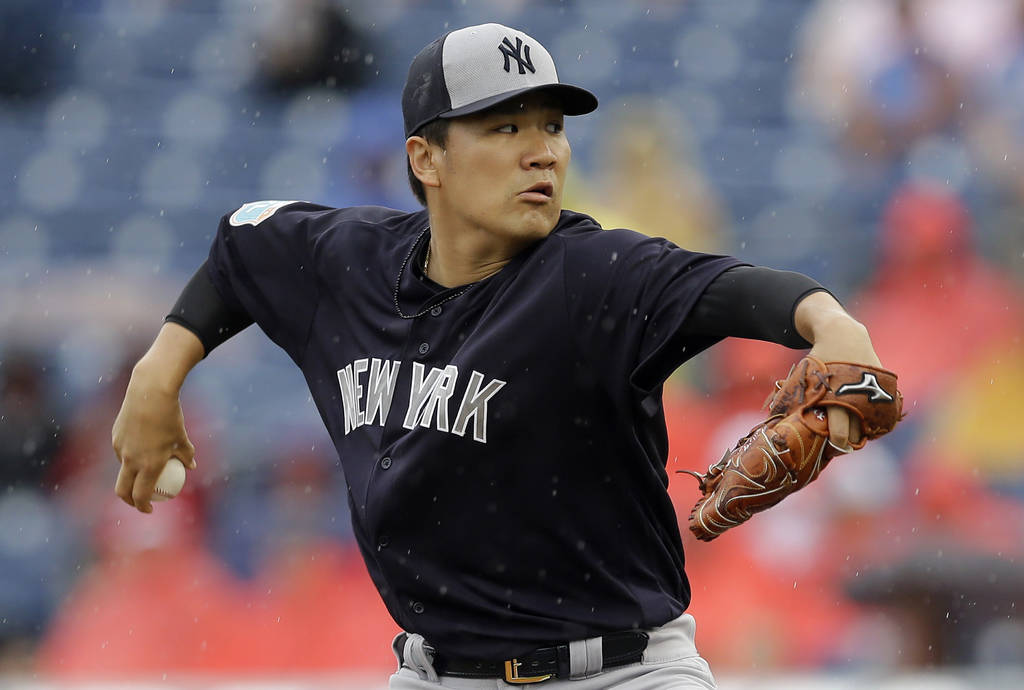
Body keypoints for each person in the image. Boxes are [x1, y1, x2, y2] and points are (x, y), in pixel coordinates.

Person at [112, 23, 887, 688]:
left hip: (619, 673)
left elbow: (729, 288)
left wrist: (831, 322)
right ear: (427, 159)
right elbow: (244, 244)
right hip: (437, 671)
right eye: (505, 128)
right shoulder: (351, 265)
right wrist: (158, 374)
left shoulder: (592, 277)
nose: (542, 152)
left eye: (552, 126)